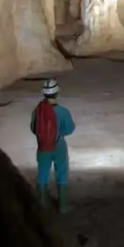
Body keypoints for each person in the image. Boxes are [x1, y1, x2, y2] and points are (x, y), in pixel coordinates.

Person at [29, 77, 76, 213]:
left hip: (43, 146)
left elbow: (33, 128)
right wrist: (58, 133)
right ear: (57, 92)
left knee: (42, 173)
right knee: (61, 173)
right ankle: (62, 207)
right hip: (59, 145)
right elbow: (70, 129)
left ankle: (42, 205)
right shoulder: (63, 111)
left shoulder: (38, 111)